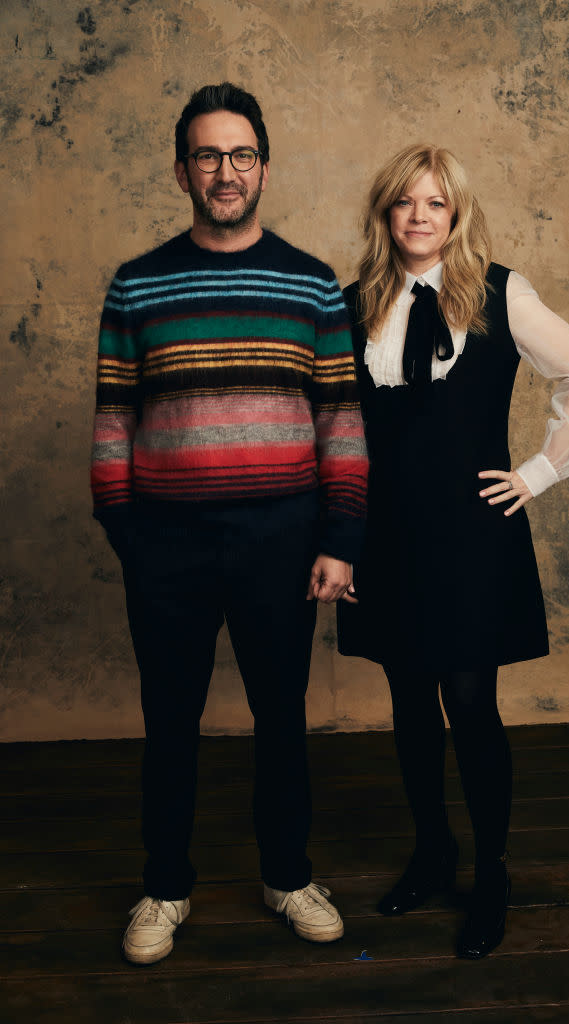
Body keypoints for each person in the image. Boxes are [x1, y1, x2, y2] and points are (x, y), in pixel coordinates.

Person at [90, 82, 368, 964]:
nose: (225, 170)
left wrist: (337, 537)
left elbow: (340, 422)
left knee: (279, 714)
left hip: (281, 540)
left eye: (240, 154)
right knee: (168, 719)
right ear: (182, 171)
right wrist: (129, 536)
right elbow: (111, 423)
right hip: (165, 541)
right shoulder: (137, 284)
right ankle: (165, 886)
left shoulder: (311, 283)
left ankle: (286, 874)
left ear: (263, 167)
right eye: (207, 155)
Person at [338, 143, 569, 960]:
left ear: (454, 214)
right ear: (384, 215)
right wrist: (340, 538)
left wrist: (536, 471)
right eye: (403, 204)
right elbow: (337, 432)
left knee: (469, 702)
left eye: (434, 204)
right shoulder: (354, 304)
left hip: (470, 531)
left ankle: (488, 873)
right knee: (409, 706)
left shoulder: (498, 291)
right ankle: (432, 854)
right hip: (386, 533)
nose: (418, 218)